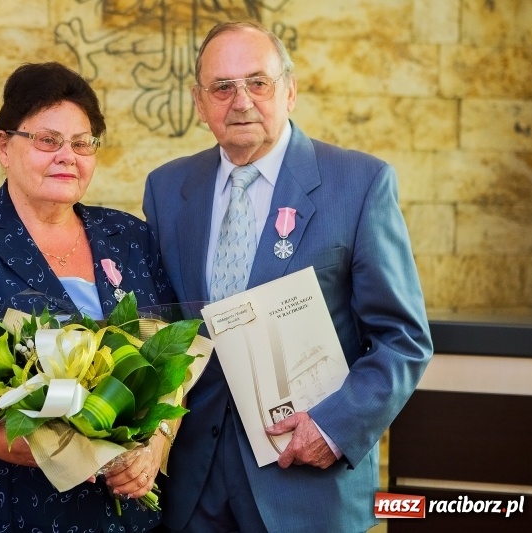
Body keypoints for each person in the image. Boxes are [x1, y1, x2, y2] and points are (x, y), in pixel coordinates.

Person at [142, 21, 433, 532]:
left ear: (290, 90)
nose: (242, 101)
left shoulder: (360, 183)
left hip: (304, 485)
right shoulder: (166, 190)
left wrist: (334, 428)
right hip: (192, 488)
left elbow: (402, 340)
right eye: (223, 87)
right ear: (198, 101)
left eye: (259, 82)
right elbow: (162, 328)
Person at [0, 62, 175, 532]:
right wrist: (25, 447)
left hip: (122, 516)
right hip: (1, 511)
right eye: (47, 140)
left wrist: (154, 447)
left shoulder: (129, 236)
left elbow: (170, 367)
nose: (68, 156)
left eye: (82, 144)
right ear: (4, 146)